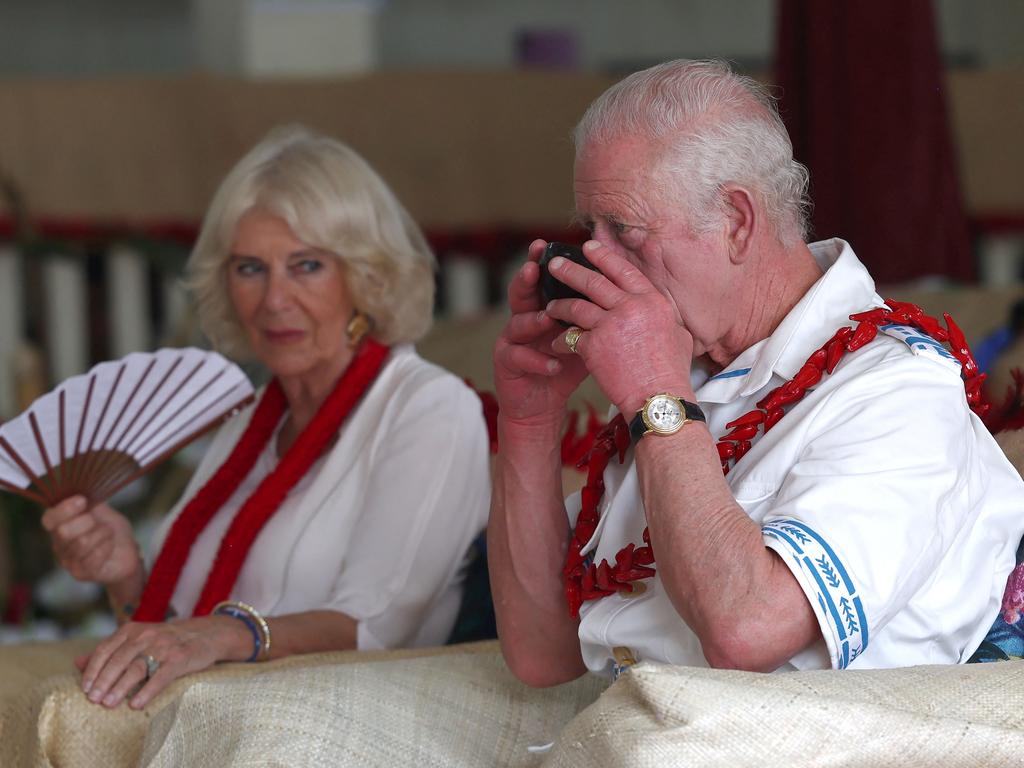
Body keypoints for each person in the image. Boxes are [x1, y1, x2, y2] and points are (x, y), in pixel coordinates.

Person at [489, 59, 1024, 684]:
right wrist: (530, 420)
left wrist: (656, 397)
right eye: (588, 231)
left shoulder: (897, 386)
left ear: (738, 222)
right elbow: (542, 655)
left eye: (625, 231)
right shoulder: (675, 370)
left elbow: (749, 631)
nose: (597, 260)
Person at [40, 125, 490, 709]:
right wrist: (126, 574)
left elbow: (379, 626)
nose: (274, 300)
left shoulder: (429, 407)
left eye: (306, 266)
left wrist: (231, 632)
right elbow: (179, 632)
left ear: (365, 274)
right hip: (217, 715)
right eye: (250, 268)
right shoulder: (250, 419)